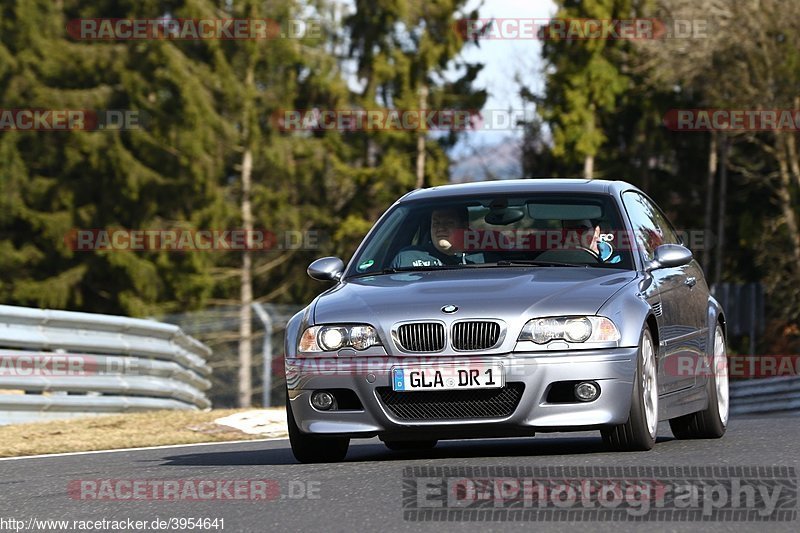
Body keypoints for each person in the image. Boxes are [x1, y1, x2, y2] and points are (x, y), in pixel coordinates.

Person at [391, 207, 479, 268]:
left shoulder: (485, 258)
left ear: (464, 227)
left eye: (448, 223)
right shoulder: (407, 259)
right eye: (436, 223)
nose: (441, 228)